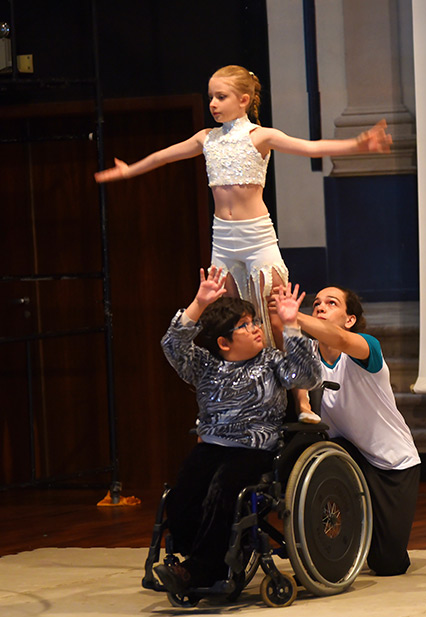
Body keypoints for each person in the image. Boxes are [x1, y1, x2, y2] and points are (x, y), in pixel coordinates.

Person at [95, 64, 390, 421]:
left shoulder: (260, 137)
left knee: (279, 317)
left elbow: (310, 148)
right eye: (211, 98)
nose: (214, 104)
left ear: (244, 100)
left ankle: (302, 401)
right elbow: (164, 156)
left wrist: (357, 144)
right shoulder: (207, 138)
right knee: (232, 320)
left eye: (221, 97)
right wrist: (131, 170)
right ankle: (242, 396)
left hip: (256, 238)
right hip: (224, 239)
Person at [156, 267, 320, 596]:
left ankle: (200, 569)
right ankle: (193, 558)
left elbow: (308, 376)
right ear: (223, 342)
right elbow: (172, 345)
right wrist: (199, 302)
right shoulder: (204, 365)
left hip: (255, 451)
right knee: (182, 494)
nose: (256, 328)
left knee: (223, 489)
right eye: (245, 325)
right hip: (212, 446)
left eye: (254, 321)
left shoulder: (272, 361)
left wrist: (291, 324)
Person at [285, 283, 421, 576]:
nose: (320, 306)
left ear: (350, 320)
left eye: (331, 303)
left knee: (388, 564)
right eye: (317, 303)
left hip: (391, 462)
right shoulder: (306, 351)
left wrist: (293, 316)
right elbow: (294, 371)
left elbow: (339, 339)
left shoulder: (365, 346)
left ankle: (376, 539)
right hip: (345, 451)